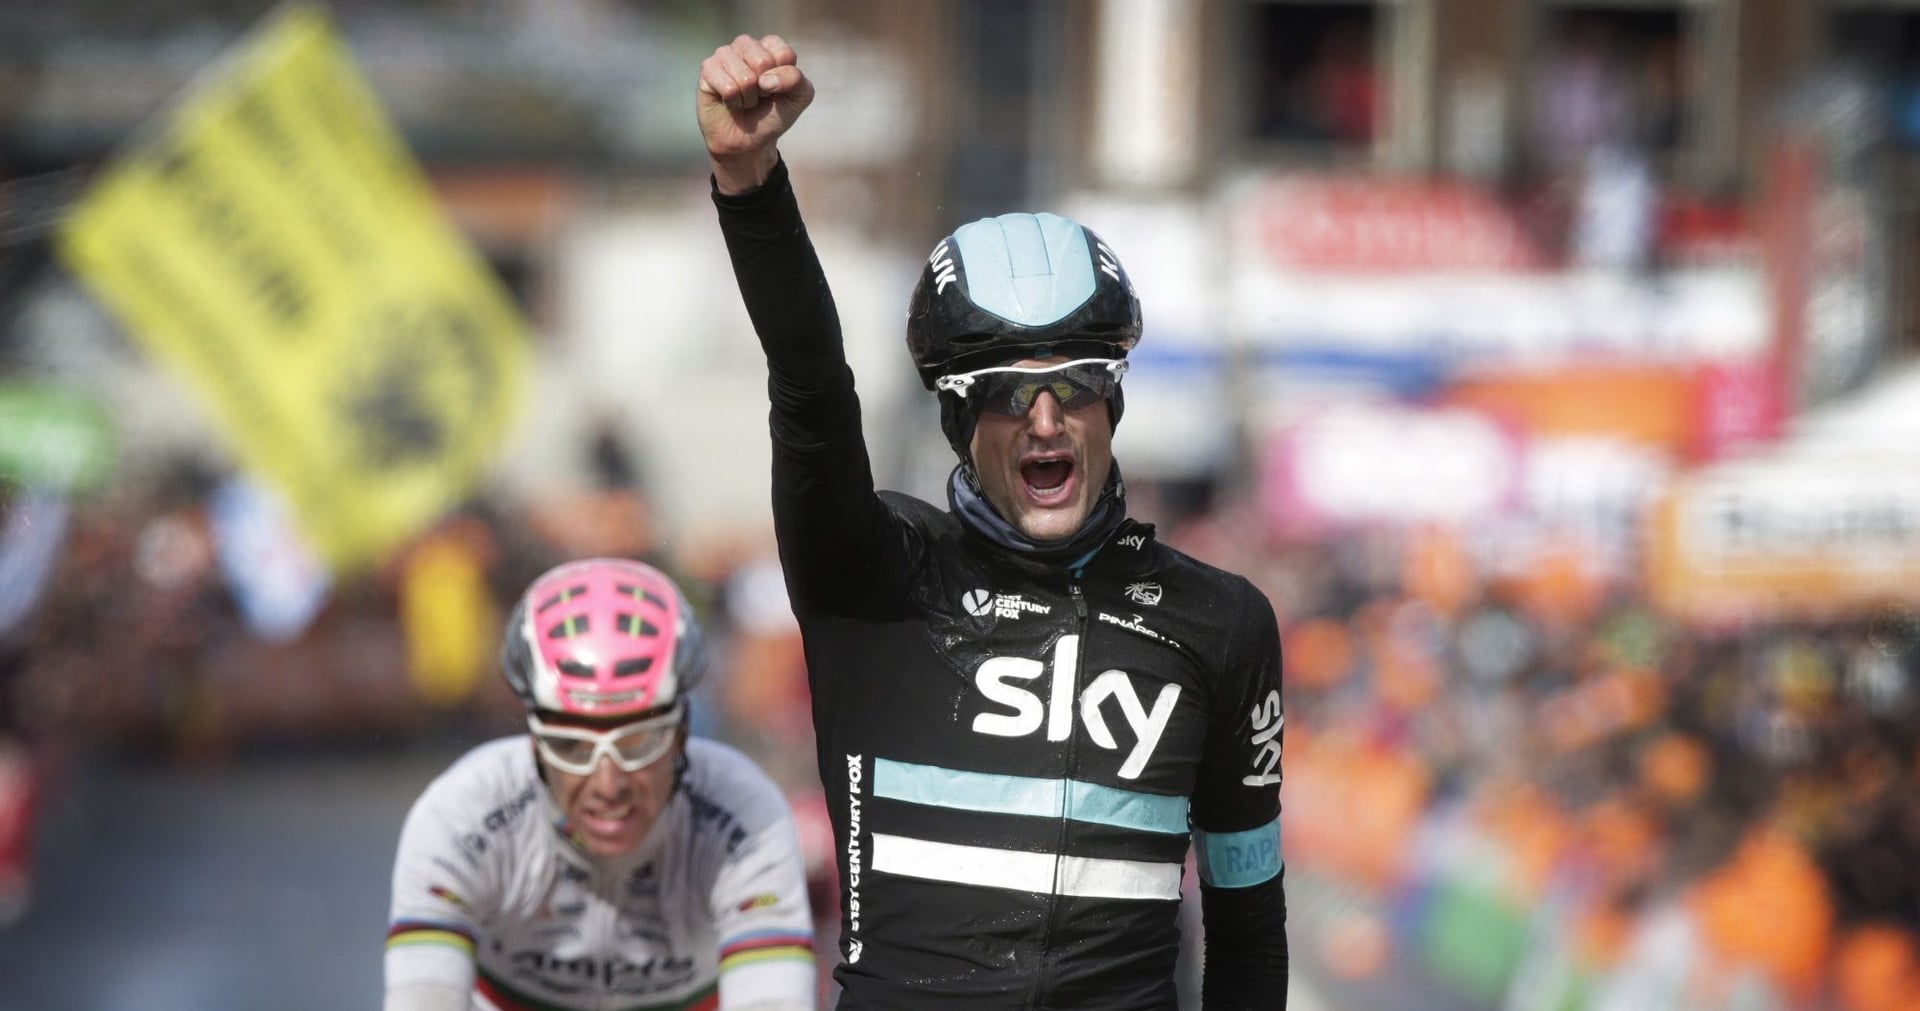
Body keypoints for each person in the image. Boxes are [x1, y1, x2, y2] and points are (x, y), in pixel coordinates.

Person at [697, 34, 1289, 1009]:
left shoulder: (1221, 623)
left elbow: (1247, 928)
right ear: (961, 421)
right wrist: (748, 175)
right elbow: (810, 388)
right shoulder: (877, 575)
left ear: (1114, 402)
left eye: (1076, 386)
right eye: (1010, 396)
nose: (1046, 421)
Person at [384, 557, 817, 1011]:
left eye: (638, 744)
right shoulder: (463, 814)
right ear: (533, 743)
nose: (607, 786)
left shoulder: (743, 813)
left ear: (682, 736)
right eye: (571, 747)